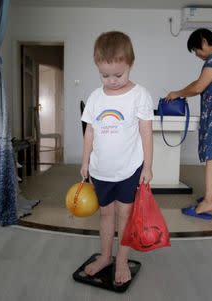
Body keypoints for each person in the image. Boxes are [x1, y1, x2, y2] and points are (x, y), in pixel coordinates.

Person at [80, 31, 154, 285]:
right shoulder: (95, 97)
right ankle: (105, 256)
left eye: (118, 75)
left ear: (130, 64)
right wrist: (84, 161)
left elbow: (146, 132)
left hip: (129, 169)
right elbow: (89, 131)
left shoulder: (139, 95)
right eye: (104, 75)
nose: (111, 81)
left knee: (125, 215)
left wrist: (148, 166)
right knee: (105, 215)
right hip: (101, 170)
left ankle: (121, 260)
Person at [165, 28, 212, 220]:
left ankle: (208, 202)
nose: (197, 55)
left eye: (196, 50)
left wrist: (177, 93)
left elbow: (199, 86)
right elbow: (202, 83)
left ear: (204, 41)